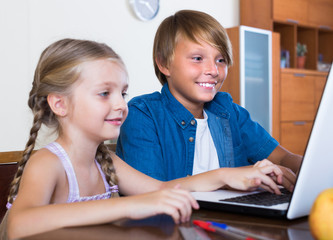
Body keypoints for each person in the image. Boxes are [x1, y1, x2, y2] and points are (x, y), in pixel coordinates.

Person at [0, 38, 285, 240]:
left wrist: (228, 175)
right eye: (104, 93)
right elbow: (18, 225)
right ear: (59, 104)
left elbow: (162, 188)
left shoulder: (105, 160)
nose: (121, 104)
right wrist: (130, 205)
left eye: (122, 93)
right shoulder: (48, 163)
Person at [116, 10, 302, 190]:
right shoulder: (143, 114)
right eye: (197, 58)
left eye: (221, 60)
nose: (213, 70)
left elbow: (284, 158)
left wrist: (304, 165)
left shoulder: (230, 113)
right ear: (164, 64)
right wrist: (229, 176)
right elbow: (152, 194)